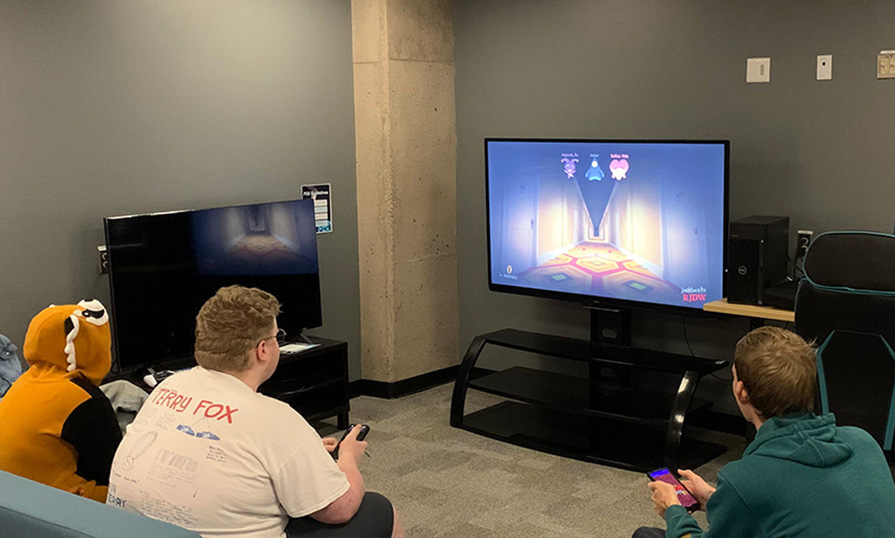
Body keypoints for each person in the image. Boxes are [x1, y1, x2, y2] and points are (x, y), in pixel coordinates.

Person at [107, 285, 404, 538]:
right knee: (377, 508)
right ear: (263, 349)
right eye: (278, 336)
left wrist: (307, 451)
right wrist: (348, 459)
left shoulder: (167, 387)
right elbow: (338, 509)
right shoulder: (275, 417)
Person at [634, 326, 895, 538]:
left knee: (646, 535)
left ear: (741, 391)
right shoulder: (863, 442)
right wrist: (716, 499)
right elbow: (799, 509)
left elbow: (763, 496)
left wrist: (673, 509)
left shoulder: (745, 479)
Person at [0, 300, 122, 502]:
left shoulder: (24, 382)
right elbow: (114, 470)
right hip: (53, 507)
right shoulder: (83, 399)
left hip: (12, 500)